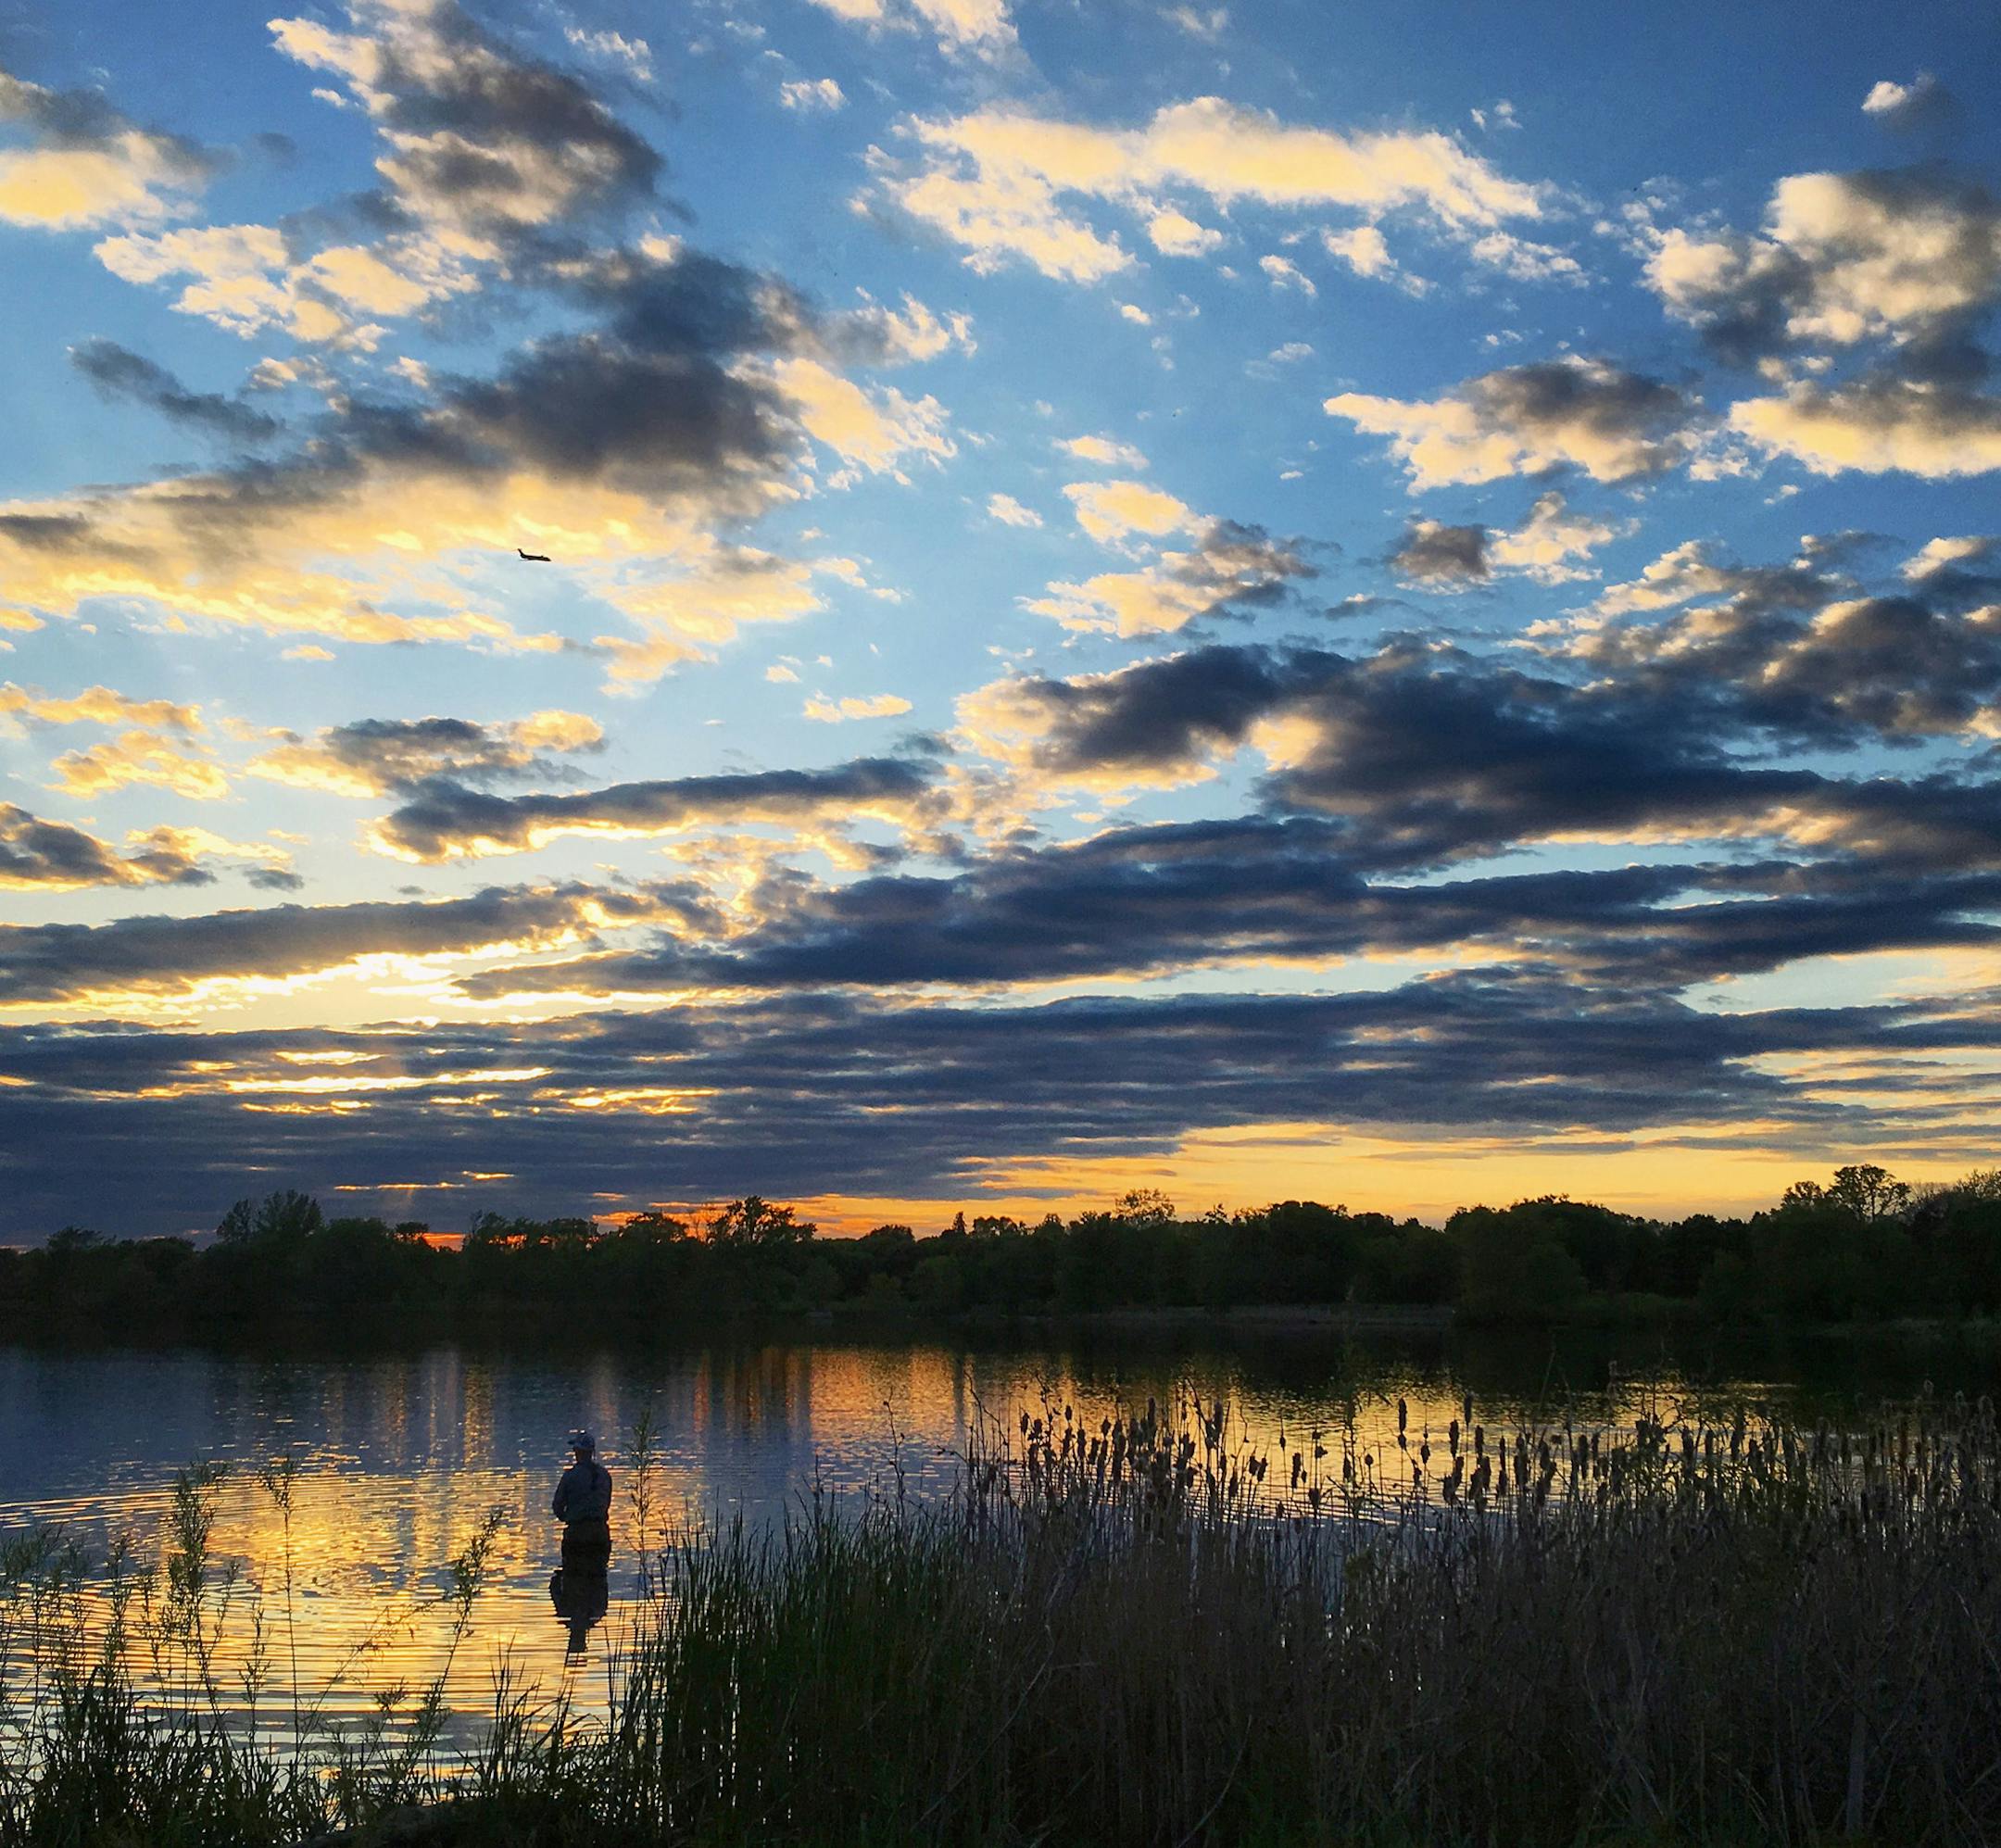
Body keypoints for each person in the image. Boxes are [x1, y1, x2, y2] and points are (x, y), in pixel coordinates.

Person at [552, 1427, 613, 1572]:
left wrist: (568, 1517)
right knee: (598, 1581)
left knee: (573, 1578)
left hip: (576, 1533)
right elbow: (606, 1504)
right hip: (600, 1533)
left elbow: (557, 1506)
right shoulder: (605, 1476)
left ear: (577, 1452)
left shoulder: (570, 1476)